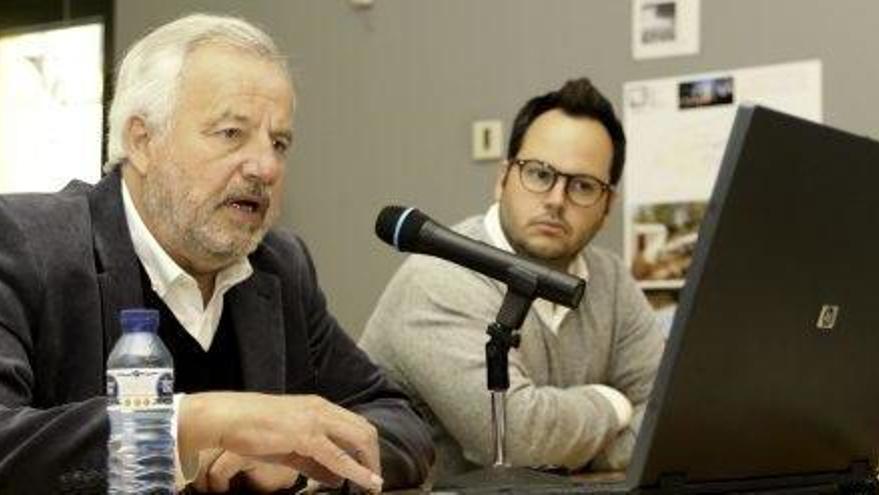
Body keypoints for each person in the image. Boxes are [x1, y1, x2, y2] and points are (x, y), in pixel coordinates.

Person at [0, 14, 433, 494]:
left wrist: (304, 464)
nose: (266, 166)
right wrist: (199, 420)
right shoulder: (27, 243)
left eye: (280, 143)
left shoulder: (280, 267)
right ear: (142, 141)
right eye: (231, 133)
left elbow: (397, 421)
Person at [360, 78, 665, 477]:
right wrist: (614, 405)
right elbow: (517, 438)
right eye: (539, 174)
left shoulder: (610, 280)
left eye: (583, 186)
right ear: (502, 178)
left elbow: (669, 413)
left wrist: (583, 455)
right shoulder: (439, 276)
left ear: (608, 206)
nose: (556, 200)